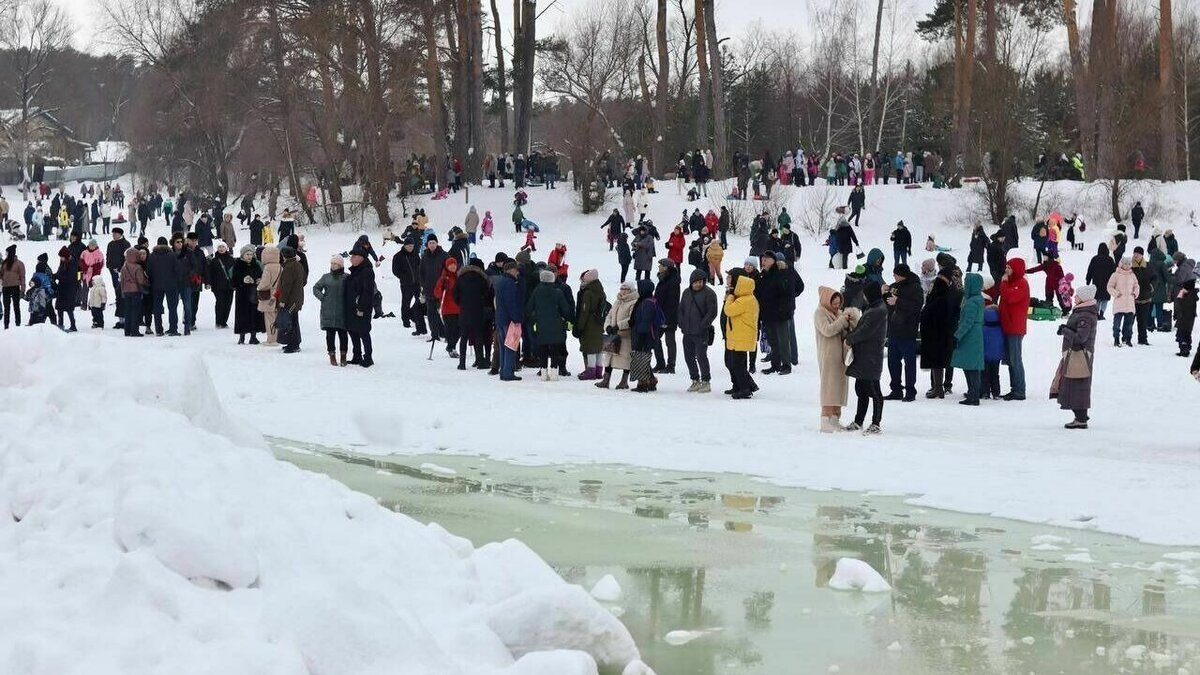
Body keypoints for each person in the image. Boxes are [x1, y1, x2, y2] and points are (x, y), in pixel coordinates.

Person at [1052, 285, 1099, 429]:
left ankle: (1081, 418)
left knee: (1077, 384)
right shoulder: (1083, 312)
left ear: (1084, 298)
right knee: (1074, 384)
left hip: (1079, 355)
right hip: (1075, 354)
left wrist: (1065, 331)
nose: (1074, 297)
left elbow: (1080, 338)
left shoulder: (1085, 315)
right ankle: (1080, 416)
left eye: (1077, 295)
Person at [844, 281, 887, 434]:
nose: (863, 297)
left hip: (871, 357)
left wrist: (849, 339)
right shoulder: (874, 307)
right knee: (861, 389)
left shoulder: (878, 310)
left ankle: (876, 423)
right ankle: (859, 421)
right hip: (864, 356)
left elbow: (864, 331)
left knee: (874, 390)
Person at [814, 287, 858, 431]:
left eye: (839, 304)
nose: (837, 306)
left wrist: (850, 321)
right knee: (829, 387)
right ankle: (825, 419)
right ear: (827, 301)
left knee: (839, 387)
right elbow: (827, 330)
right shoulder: (820, 313)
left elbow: (843, 332)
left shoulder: (838, 313)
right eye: (834, 304)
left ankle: (835, 417)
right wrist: (842, 322)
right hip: (828, 356)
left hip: (841, 356)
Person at [883, 263, 923, 402]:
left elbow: (916, 306)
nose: (894, 276)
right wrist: (884, 293)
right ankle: (896, 389)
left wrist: (898, 301)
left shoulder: (915, 287)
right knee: (893, 362)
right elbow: (887, 303)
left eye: (895, 274)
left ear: (901, 275)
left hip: (907, 330)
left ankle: (910, 391)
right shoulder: (894, 286)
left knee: (909, 362)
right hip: (893, 329)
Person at [526, 268, 573, 380]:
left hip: (541, 325)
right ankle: (554, 374)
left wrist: (534, 319)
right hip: (556, 326)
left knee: (543, 349)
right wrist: (566, 319)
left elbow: (528, 309)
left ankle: (543, 374)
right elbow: (566, 310)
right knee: (555, 350)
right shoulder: (558, 292)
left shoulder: (536, 292)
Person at [679, 268, 718, 393]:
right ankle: (695, 380)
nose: (698, 284)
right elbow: (681, 309)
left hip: (701, 332)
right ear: (691, 282)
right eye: (696, 282)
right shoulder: (686, 292)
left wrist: (703, 325)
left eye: (701, 282)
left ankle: (706, 381)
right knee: (689, 357)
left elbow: (712, 312)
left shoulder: (709, 293)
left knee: (701, 357)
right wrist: (681, 323)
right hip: (687, 331)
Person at [919, 266, 956, 398]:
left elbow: (928, 311)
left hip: (935, 333)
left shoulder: (940, 294)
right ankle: (938, 387)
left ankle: (938, 388)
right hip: (941, 332)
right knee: (939, 361)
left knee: (937, 361)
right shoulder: (946, 293)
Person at [722, 270, 759, 399]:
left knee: (738, 365)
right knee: (734, 363)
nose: (727, 280)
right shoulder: (741, 298)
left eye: (729, 278)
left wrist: (730, 296)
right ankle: (739, 385)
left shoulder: (745, 300)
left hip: (741, 337)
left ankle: (745, 389)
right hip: (737, 336)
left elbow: (728, 310)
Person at [998, 257, 1030, 399]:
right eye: (1006, 267)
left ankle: (1019, 390)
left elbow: (1009, 297)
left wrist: (1004, 283)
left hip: (1015, 327)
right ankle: (1014, 388)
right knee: (1010, 359)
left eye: (1009, 268)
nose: (1006, 270)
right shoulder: (1010, 283)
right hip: (1007, 326)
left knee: (1015, 359)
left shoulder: (1021, 284)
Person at [951, 273, 985, 405]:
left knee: (971, 367)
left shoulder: (971, 302)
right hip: (975, 334)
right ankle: (973, 392)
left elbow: (967, 322)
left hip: (970, 336)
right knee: (972, 365)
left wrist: (957, 335)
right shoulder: (979, 299)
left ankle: (973, 395)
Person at [597, 281, 637, 389]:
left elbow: (631, 318)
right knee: (609, 356)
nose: (623, 291)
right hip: (613, 335)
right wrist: (608, 326)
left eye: (626, 289)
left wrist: (618, 326)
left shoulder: (634, 302)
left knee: (625, 358)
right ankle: (606, 380)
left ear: (631, 290)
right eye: (622, 289)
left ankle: (624, 381)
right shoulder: (617, 301)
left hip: (625, 335)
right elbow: (609, 315)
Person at [454, 258, 493, 370]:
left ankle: (462, 363)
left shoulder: (461, 277)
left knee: (463, 337)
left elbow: (455, 294)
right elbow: (486, 294)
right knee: (478, 336)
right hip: (477, 311)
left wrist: (462, 303)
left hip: (464, 311)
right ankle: (480, 361)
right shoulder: (482, 278)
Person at [344, 246, 377, 367]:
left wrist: (361, 307)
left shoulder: (367, 271)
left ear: (361, 258)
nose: (351, 259)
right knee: (353, 331)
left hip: (362, 308)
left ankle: (368, 357)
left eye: (354, 256)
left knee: (363, 332)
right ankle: (357, 355)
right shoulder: (355, 270)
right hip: (352, 307)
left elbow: (367, 292)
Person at [573, 269, 607, 380]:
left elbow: (584, 311)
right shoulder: (600, 290)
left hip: (590, 324)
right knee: (598, 348)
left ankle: (591, 371)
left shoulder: (588, 293)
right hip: (599, 323)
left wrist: (580, 326)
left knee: (590, 348)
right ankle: (598, 371)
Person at [392, 238, 426, 335]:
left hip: (417, 283)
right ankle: (406, 321)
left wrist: (420, 277)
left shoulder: (415, 254)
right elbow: (395, 270)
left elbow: (420, 266)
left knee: (419, 301)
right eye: (409, 246)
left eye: (412, 246)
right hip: (406, 284)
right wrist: (404, 277)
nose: (411, 248)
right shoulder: (398, 256)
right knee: (406, 302)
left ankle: (415, 317)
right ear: (405, 246)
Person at [231, 245, 264, 344]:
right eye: (247, 254)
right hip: (242, 295)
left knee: (254, 314)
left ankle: (253, 336)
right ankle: (242, 337)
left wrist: (259, 280)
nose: (249, 256)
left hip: (253, 293)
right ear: (242, 255)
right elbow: (233, 281)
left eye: (251, 254)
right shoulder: (238, 265)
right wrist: (242, 280)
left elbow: (260, 275)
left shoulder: (255, 264)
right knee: (242, 315)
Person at [420, 235, 450, 343]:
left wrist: (446, 284)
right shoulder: (425, 256)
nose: (432, 245)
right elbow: (421, 271)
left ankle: (446, 333)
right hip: (428, 289)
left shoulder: (444, 255)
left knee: (442, 313)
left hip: (441, 289)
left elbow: (449, 270)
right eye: (430, 243)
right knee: (431, 314)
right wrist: (423, 284)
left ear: (437, 243)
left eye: (433, 242)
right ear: (427, 245)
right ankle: (435, 334)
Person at [652, 259, 680, 374]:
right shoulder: (663, 279)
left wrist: (666, 320)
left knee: (670, 341)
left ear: (666, 267)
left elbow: (672, 303)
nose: (659, 267)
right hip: (659, 316)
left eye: (661, 265)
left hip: (669, 317)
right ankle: (660, 363)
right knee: (655, 339)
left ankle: (671, 366)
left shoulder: (672, 281)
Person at [277, 246, 306, 353]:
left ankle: (293, 345)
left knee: (290, 322)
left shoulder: (289, 267)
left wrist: (282, 301)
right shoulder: (298, 265)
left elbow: (286, 287)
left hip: (290, 300)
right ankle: (294, 343)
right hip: (297, 298)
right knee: (294, 321)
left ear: (284, 256)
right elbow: (303, 280)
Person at [433, 256, 462, 359]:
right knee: (451, 330)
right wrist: (442, 288)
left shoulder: (459, 277)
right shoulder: (443, 278)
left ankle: (451, 346)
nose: (453, 267)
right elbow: (437, 293)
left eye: (454, 265)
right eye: (450, 265)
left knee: (460, 329)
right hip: (448, 308)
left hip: (459, 308)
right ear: (447, 266)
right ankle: (451, 347)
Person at [1106, 256, 1138, 347]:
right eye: (1125, 264)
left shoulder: (1132, 275)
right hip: (1119, 303)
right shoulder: (1115, 275)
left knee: (1129, 325)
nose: (1127, 266)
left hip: (1130, 304)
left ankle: (1128, 339)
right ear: (1121, 264)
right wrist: (1116, 293)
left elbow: (1136, 286)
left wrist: (1135, 293)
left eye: (1128, 264)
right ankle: (1116, 339)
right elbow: (1109, 287)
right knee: (1117, 325)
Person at [119, 247, 148, 337]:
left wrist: (122, 291)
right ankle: (134, 331)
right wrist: (147, 282)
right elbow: (141, 280)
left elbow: (121, 281)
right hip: (135, 291)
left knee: (127, 311)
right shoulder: (138, 267)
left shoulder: (124, 267)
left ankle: (127, 331)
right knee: (135, 311)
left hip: (126, 291)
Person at [257, 245, 282, 345]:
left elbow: (265, 283)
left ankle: (271, 340)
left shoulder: (268, 267)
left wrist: (259, 287)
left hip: (269, 296)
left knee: (269, 318)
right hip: (277, 294)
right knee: (275, 316)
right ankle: (276, 338)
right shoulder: (280, 266)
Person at [1173, 253, 1197, 357]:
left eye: (1175, 260)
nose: (1174, 262)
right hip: (1190, 303)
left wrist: (1172, 278)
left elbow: (1179, 282)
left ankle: (1184, 348)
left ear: (1179, 260)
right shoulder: (1188, 267)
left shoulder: (1183, 269)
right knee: (1187, 328)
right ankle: (1186, 346)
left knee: (1182, 328)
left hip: (1184, 304)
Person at [1085, 243, 1116, 320]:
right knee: (1105, 299)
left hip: (1097, 282)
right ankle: (1102, 314)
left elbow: (1090, 270)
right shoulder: (1110, 260)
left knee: (1097, 299)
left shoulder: (1094, 259)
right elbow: (1114, 272)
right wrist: (1115, 282)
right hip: (1107, 283)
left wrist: (1088, 280)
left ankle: (1096, 313)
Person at [1131, 247, 1154, 345]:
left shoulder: (1148, 265)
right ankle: (1126, 338)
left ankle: (1143, 339)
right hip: (1132, 298)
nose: (1136, 255)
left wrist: (1151, 286)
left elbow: (1155, 277)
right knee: (1130, 321)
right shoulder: (1130, 266)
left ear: (1142, 255)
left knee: (1143, 321)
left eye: (1138, 254)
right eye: (1135, 253)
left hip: (1145, 298)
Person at [52, 247, 79, 331]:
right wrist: (54, 275)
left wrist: (58, 277)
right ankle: (60, 324)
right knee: (59, 308)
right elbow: (59, 273)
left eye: (62, 257)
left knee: (69, 308)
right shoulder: (63, 263)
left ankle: (73, 325)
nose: (61, 258)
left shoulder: (73, 264)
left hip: (70, 289)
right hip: (62, 288)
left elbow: (69, 278)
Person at [2, 245, 26, 328]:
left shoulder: (19, 264)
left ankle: (18, 325)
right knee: (6, 308)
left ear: (11, 253)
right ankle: (6, 326)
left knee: (16, 307)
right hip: (5, 287)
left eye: (7, 253)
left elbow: (22, 277)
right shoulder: (4, 263)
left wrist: (22, 289)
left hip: (15, 287)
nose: (6, 254)